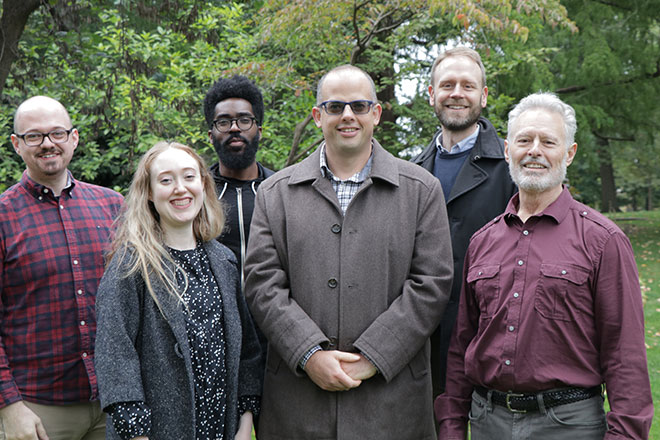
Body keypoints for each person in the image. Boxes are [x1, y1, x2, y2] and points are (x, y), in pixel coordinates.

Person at [244, 64, 453, 439]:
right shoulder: (275, 193)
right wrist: (310, 354)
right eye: (335, 106)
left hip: (392, 404)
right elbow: (262, 284)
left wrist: (371, 357)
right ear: (317, 115)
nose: (347, 116)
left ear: (376, 113)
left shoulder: (421, 190)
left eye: (358, 105)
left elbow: (431, 284)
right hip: (299, 404)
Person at [436, 92, 653, 439]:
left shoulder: (603, 241)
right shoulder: (482, 242)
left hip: (569, 426)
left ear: (569, 153)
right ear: (508, 150)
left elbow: (624, 356)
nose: (534, 150)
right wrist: (451, 427)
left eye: (548, 141)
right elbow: (462, 346)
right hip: (488, 422)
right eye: (524, 140)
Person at [94, 142, 262, 439]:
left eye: (188, 176)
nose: (180, 189)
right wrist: (137, 434)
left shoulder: (224, 261)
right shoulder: (131, 265)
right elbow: (115, 355)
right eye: (166, 180)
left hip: (219, 429)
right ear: (148, 192)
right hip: (155, 431)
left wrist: (245, 422)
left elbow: (247, 348)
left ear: (202, 184)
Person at [0, 96, 123, 440]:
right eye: (34, 136)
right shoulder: (3, 217)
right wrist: (8, 406)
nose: (48, 144)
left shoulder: (113, 206)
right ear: (17, 144)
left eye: (56, 133)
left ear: (74, 138)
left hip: (113, 402)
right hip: (38, 410)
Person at [411, 47, 516, 398]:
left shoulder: (512, 167)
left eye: (468, 86)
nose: (457, 93)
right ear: (432, 95)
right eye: (447, 85)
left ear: (483, 96)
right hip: (423, 339)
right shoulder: (410, 173)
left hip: (495, 334)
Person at [203, 75, 274, 289]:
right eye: (224, 122)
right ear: (210, 135)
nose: (235, 128)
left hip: (270, 316)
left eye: (244, 120)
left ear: (259, 131)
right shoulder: (197, 194)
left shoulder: (279, 191)